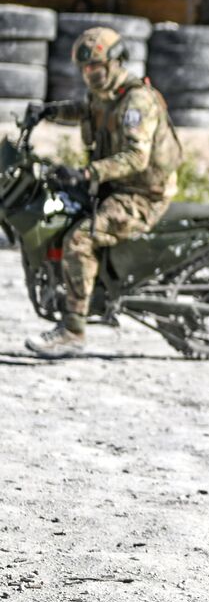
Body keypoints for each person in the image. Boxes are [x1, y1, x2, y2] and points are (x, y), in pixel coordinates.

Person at [24, 26, 181, 358]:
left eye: (96, 67)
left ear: (115, 61)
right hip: (115, 186)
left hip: (141, 195)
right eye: (85, 69)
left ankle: (73, 331)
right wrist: (49, 111)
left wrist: (85, 173)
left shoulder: (137, 101)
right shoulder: (105, 93)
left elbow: (137, 158)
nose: (90, 74)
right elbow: (86, 110)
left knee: (79, 239)